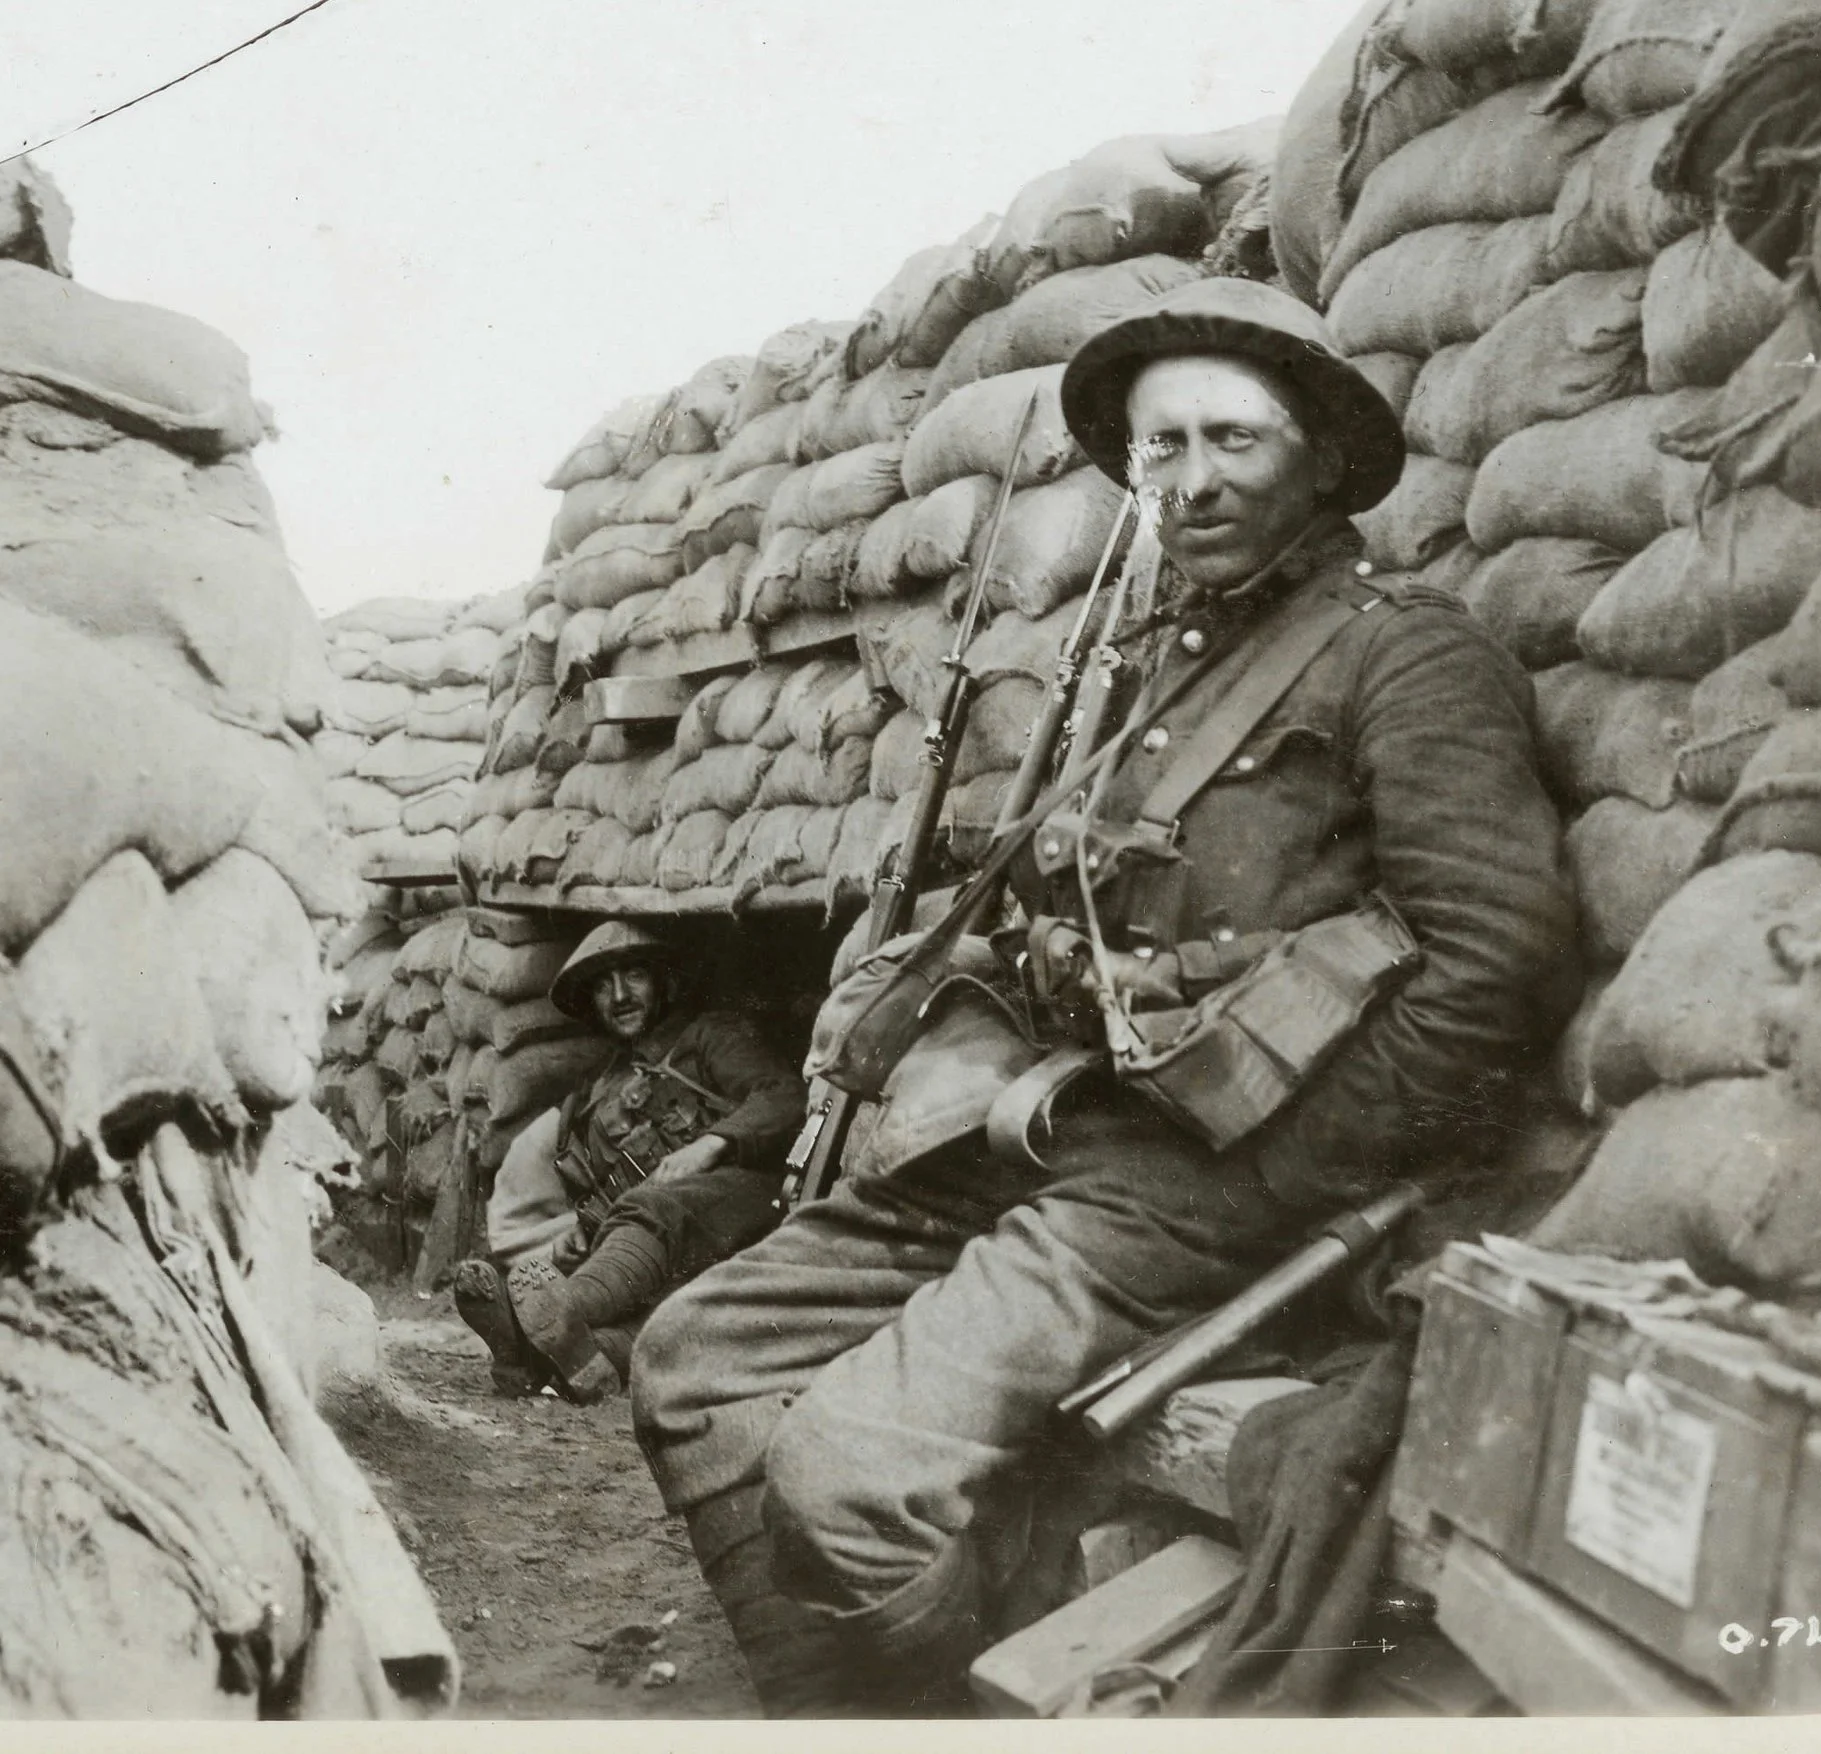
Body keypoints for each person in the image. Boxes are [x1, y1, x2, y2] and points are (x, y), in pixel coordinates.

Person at [625, 277, 1582, 1715]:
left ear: (1322, 457)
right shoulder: (1149, 668)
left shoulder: (1407, 653)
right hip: (1068, 1127)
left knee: (843, 1480)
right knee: (694, 1358)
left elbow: (1495, 962)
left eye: (1233, 439)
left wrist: (1285, 1166)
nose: (1194, 479)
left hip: (1223, 1176)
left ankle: (929, 1704)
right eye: (1162, 447)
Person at [455, 921, 802, 1404]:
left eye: (634, 976)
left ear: (664, 983)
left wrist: (710, 1145)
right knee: (658, 1323)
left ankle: (534, 1320)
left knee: (654, 1208)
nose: (619, 996)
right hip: (668, 1252)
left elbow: (785, 1096)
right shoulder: (593, 1096)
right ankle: (552, 1358)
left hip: (747, 1211)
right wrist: (586, 1233)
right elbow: (606, 1198)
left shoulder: (709, 1037)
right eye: (603, 986)